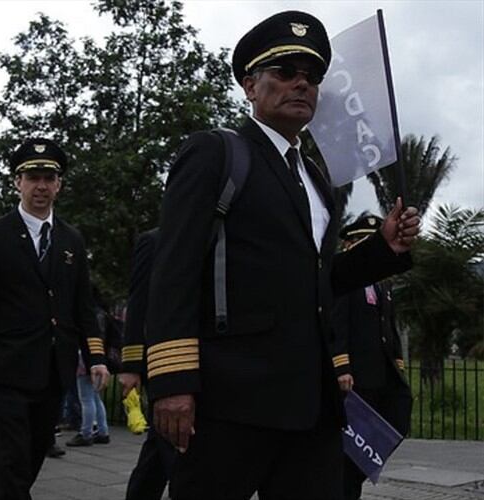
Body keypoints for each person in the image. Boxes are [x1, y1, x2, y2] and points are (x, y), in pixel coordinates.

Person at [146, 11, 421, 500]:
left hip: (310, 403)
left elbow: (317, 280)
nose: (302, 83)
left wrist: (384, 248)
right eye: (286, 71)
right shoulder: (216, 153)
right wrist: (172, 380)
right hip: (231, 399)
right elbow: (173, 269)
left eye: (312, 76)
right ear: (250, 86)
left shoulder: (315, 177)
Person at [0, 138, 110, 499]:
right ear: (18, 182)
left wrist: (96, 357)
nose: (41, 186)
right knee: (11, 467)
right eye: (32, 177)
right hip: (4, 372)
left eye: (48, 178)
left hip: (52, 372)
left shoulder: (71, 239)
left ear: (59, 184)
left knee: (27, 465)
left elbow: (82, 306)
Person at [331, 215, 412, 500]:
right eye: (364, 241)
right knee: (348, 454)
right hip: (356, 378)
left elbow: (389, 327)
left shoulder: (382, 285)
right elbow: (337, 323)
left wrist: (397, 364)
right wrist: (341, 366)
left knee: (389, 428)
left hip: (380, 375)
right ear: (349, 244)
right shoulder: (347, 281)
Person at [120, 228, 177, 500]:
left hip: (206, 360)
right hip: (164, 359)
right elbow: (138, 304)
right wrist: (132, 365)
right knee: (174, 443)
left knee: (160, 445)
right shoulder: (155, 241)